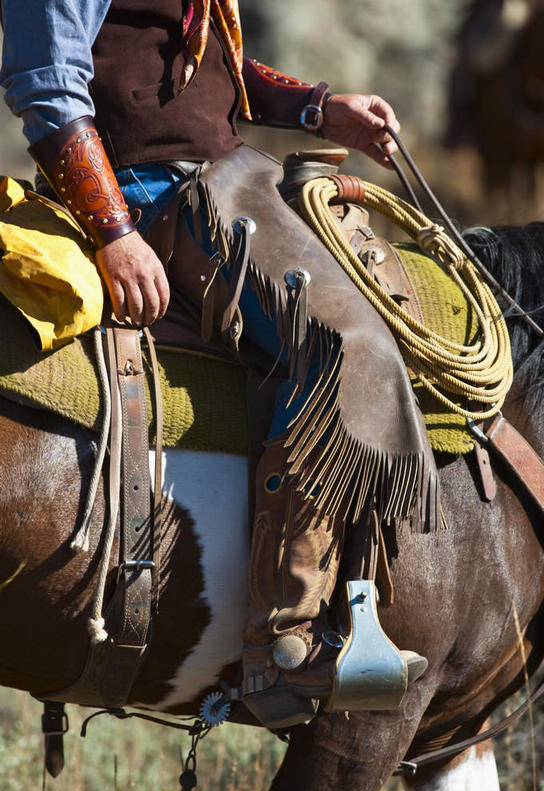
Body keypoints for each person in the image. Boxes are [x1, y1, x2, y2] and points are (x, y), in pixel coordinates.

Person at [0, 0, 434, 730]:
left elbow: (205, 70)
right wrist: (113, 232)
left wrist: (319, 109)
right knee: (344, 343)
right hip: (155, 193)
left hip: (227, 171)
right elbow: (46, 79)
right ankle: (285, 635)